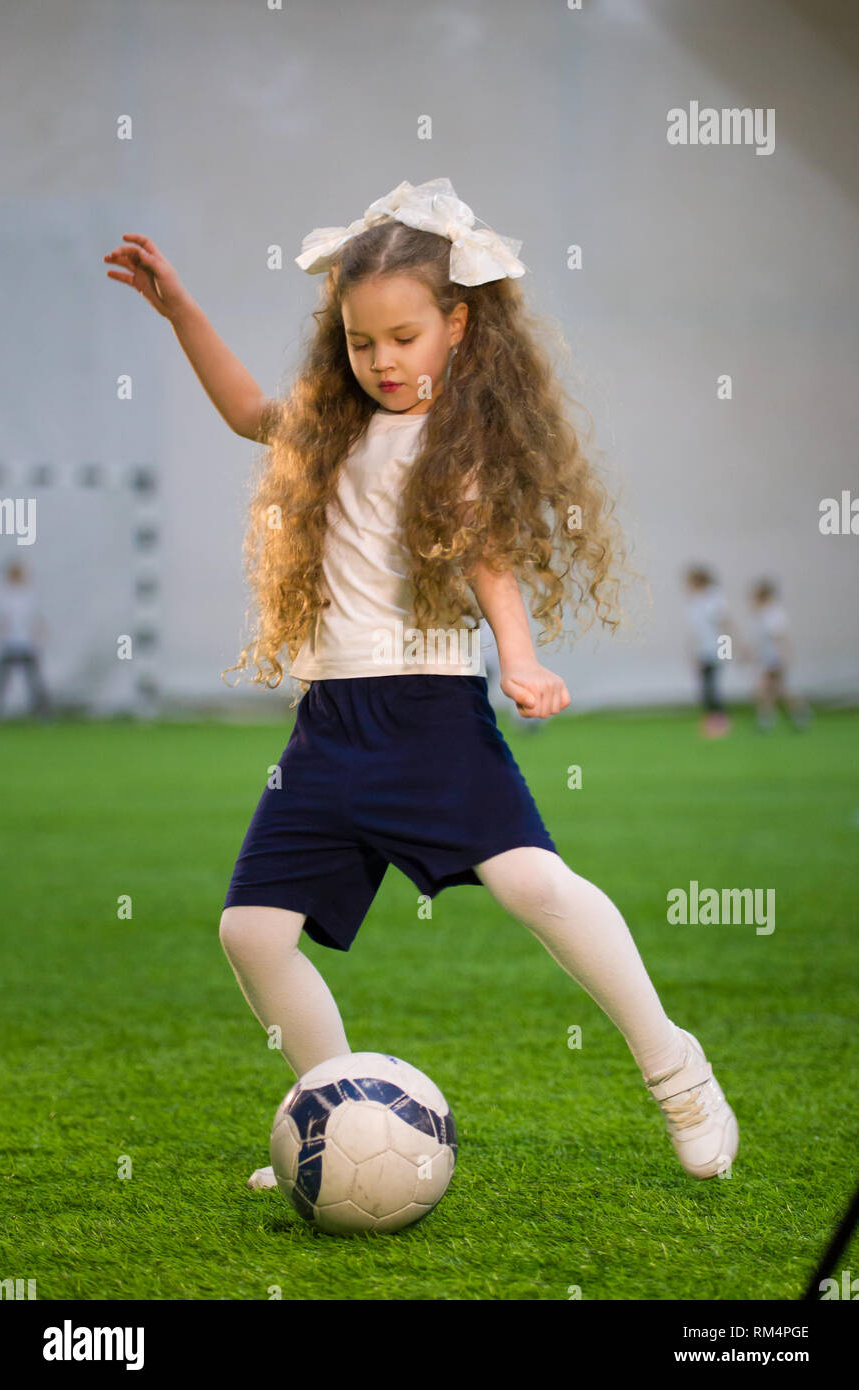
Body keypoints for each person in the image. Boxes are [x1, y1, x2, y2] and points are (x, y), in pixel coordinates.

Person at [104, 176, 738, 1188]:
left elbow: (486, 559)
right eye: (361, 342)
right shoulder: (326, 426)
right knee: (250, 932)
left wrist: (519, 659)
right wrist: (179, 307)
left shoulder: (460, 442)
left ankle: (678, 1073)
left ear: (454, 324)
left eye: (403, 337)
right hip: (329, 723)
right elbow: (240, 412)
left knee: (534, 882)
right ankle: (331, 1117)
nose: (382, 361)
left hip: (430, 710)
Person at [747, 579, 811, 731]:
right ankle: (796, 714)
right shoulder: (763, 615)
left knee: (768, 689)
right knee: (775, 690)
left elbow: (779, 638)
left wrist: (784, 658)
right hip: (768, 658)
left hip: (774, 659)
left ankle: (770, 720)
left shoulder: (773, 615)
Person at [0, 561, 51, 720]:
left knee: (34, 681)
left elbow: (36, 619)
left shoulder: (28, 595)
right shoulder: (3, 596)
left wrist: (40, 637)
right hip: (9, 644)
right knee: (0, 681)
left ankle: (42, 713)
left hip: (26, 645)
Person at [683, 567, 734, 738]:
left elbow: (724, 624)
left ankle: (720, 723)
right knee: (705, 686)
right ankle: (713, 722)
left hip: (715, 648)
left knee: (711, 686)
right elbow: (697, 630)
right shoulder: (698, 601)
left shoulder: (714, 599)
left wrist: (726, 650)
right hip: (704, 649)